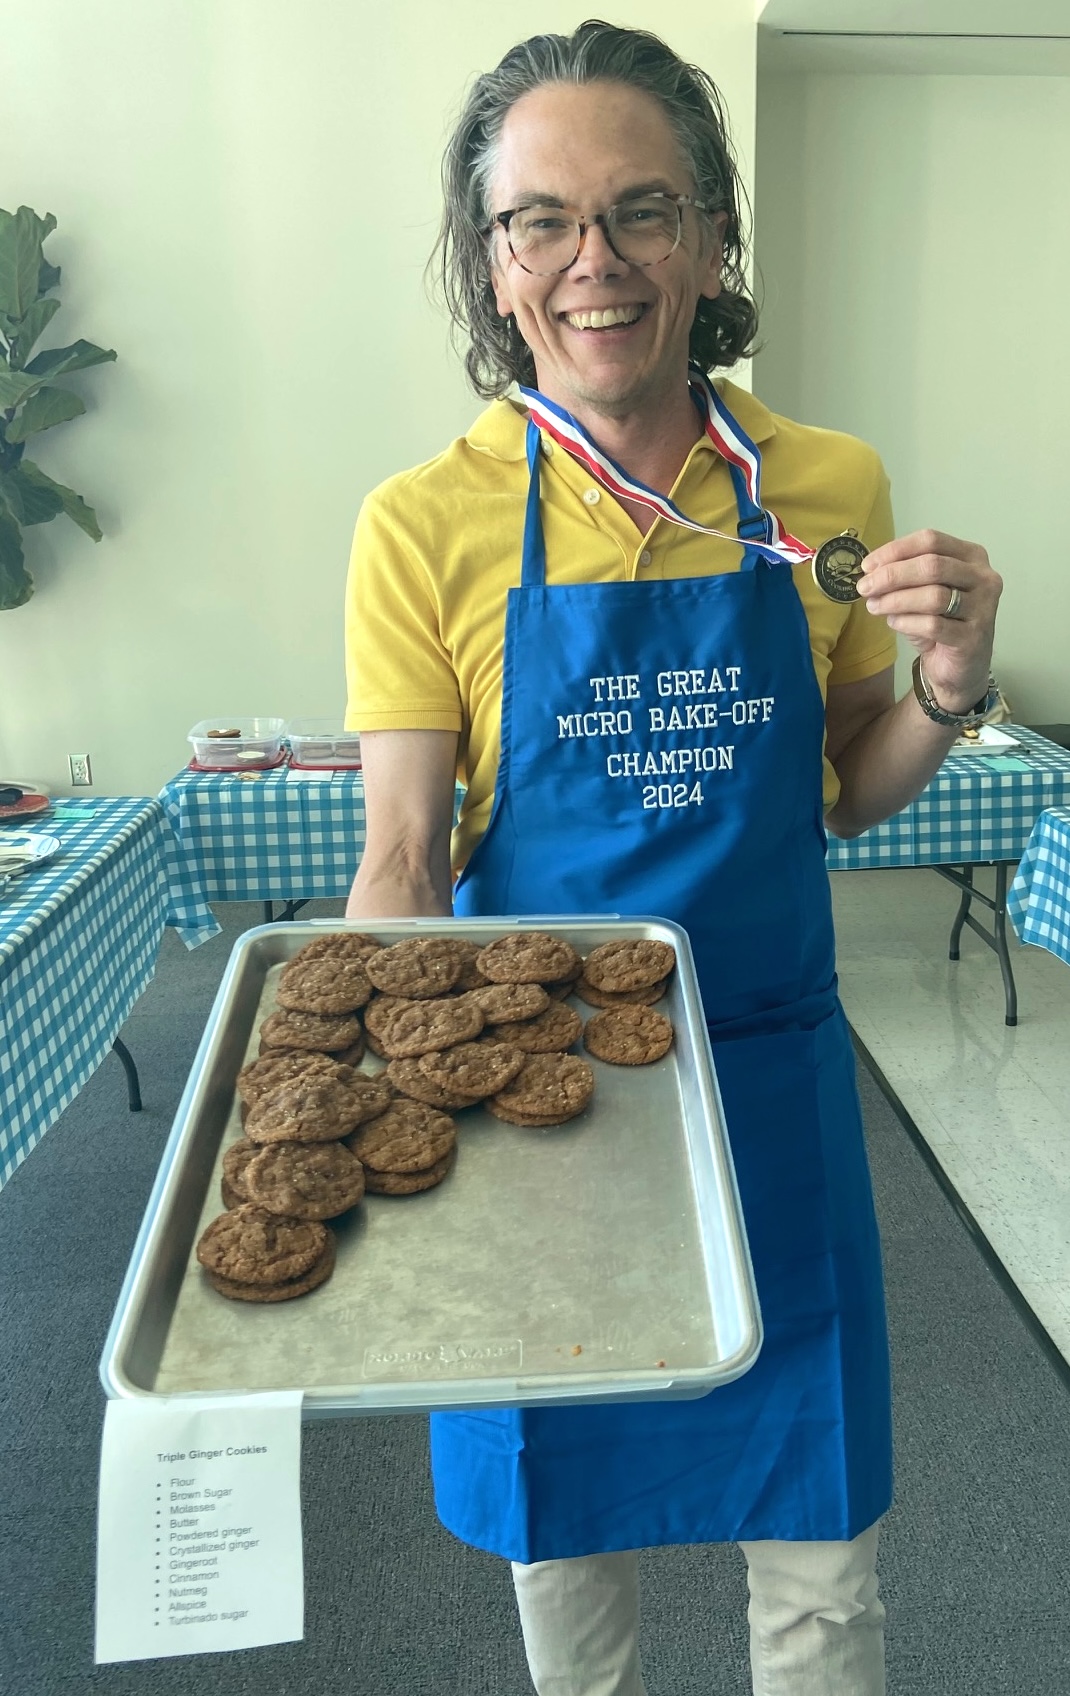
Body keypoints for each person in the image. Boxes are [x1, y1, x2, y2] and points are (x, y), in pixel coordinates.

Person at [343, 21, 1002, 1695]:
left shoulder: (819, 486)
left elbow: (849, 794)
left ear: (711, 238)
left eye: (643, 210)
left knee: (817, 1556)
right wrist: (363, 1100)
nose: (595, 262)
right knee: (567, 1539)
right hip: (533, 1100)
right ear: (492, 267)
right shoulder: (424, 521)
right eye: (542, 221)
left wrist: (944, 687)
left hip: (767, 1081)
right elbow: (405, 861)